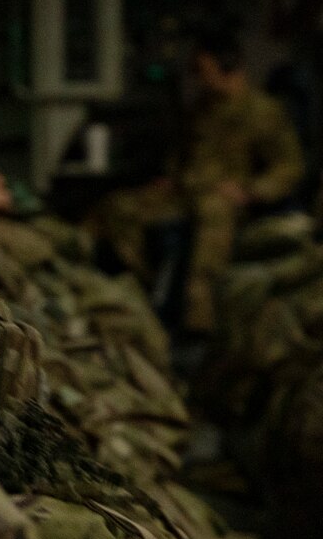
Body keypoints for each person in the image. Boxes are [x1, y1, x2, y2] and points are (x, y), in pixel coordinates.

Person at [94, 33, 305, 334]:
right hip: (184, 191)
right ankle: (140, 288)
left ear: (228, 68)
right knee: (119, 206)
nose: (198, 78)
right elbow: (183, 151)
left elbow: (288, 166)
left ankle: (199, 318)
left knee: (212, 220)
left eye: (204, 70)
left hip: (225, 197)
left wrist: (251, 191)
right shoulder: (201, 107)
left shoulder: (262, 112)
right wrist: (171, 176)